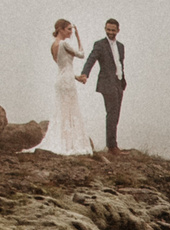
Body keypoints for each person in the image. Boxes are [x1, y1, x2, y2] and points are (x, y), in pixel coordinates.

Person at [34, 19, 96, 156]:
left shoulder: (53, 45)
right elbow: (81, 54)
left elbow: (63, 67)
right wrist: (79, 37)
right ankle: (70, 143)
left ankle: (64, 141)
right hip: (67, 82)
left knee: (63, 110)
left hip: (62, 79)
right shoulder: (64, 43)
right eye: (69, 29)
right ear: (60, 29)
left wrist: (76, 77)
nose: (71, 32)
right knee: (71, 110)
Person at [79, 18, 128, 157]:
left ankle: (113, 144)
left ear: (118, 30)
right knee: (112, 114)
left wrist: (123, 80)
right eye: (108, 30)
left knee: (116, 114)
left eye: (113, 30)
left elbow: (119, 64)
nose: (110, 32)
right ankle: (112, 146)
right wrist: (85, 74)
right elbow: (91, 59)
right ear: (105, 29)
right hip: (107, 83)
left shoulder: (121, 46)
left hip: (118, 83)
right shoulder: (100, 45)